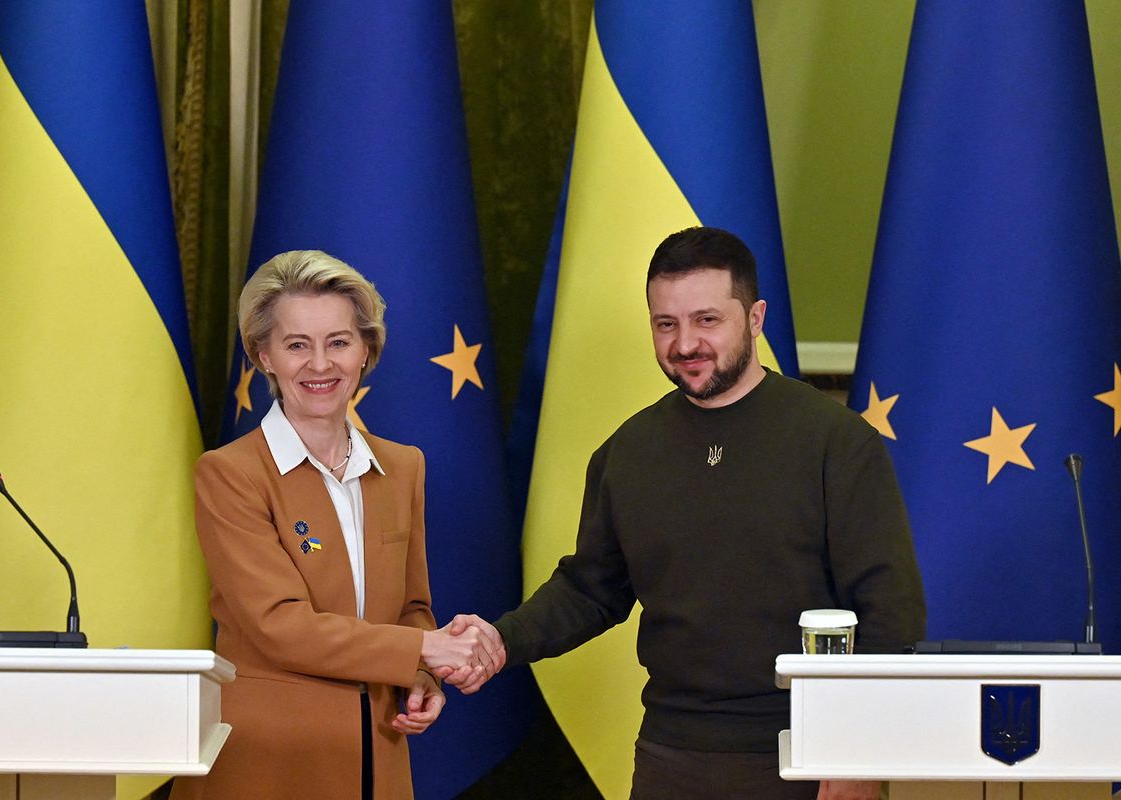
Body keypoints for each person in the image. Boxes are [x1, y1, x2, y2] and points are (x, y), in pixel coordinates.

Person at [440, 227, 926, 800]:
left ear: (756, 317)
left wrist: (856, 758)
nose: (685, 343)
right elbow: (590, 590)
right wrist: (499, 640)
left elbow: (890, 614)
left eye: (707, 320)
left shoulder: (836, 443)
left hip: (810, 756)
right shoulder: (626, 452)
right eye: (665, 324)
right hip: (670, 757)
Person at [171, 251, 493, 800]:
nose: (320, 365)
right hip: (268, 763)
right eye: (297, 345)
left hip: (380, 759)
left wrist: (422, 678)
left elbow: (413, 609)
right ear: (263, 355)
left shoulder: (404, 466)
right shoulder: (229, 473)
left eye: (338, 342)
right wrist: (424, 652)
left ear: (366, 350)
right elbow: (279, 625)